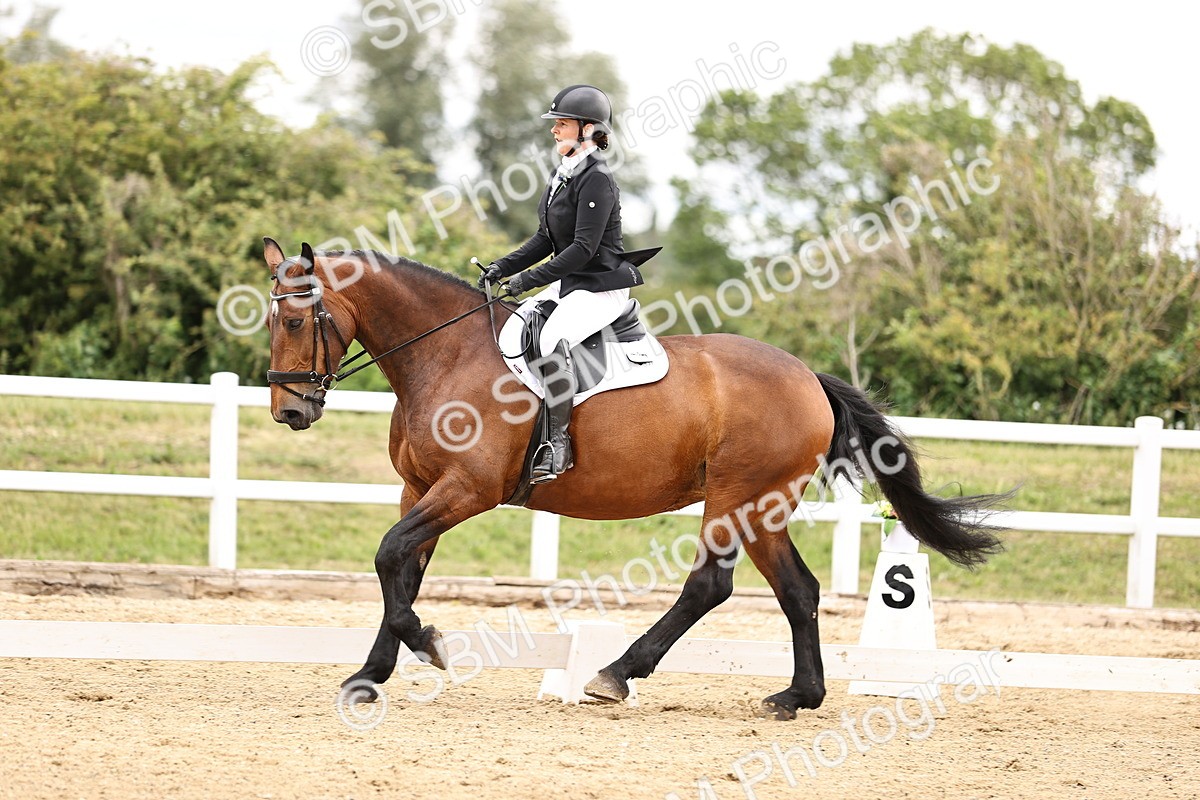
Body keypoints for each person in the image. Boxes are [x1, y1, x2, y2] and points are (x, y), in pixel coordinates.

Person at [479, 84, 646, 484]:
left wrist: (526, 280)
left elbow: (584, 249)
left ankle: (557, 445)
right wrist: (503, 267)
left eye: (563, 124)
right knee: (516, 329)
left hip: (599, 284)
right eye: (556, 124)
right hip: (570, 282)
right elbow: (545, 239)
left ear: (588, 129)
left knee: (553, 337)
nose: (554, 131)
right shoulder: (564, 173)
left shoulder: (597, 180)